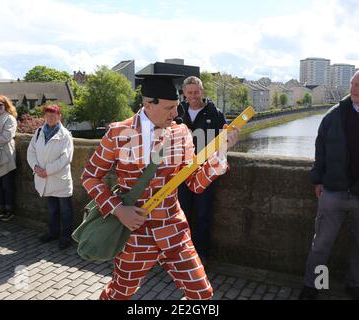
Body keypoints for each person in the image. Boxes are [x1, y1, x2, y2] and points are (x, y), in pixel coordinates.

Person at [81, 74, 240, 300]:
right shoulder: (118, 133)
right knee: (120, 293)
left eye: (176, 107)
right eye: (169, 108)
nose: (176, 114)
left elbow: (194, 183)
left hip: (174, 230)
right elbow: (90, 176)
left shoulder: (181, 133)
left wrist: (221, 153)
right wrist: (118, 210)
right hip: (134, 232)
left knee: (202, 293)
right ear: (148, 104)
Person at [299, 68, 359, 300]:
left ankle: (355, 285)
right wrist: (318, 178)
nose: (351, 89)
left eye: (357, 85)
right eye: (352, 84)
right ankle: (314, 285)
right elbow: (320, 148)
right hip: (335, 191)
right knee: (322, 244)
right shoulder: (335, 114)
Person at [176, 76, 227, 261]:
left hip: (204, 173)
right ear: (184, 93)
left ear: (202, 91)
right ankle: (182, 256)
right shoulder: (177, 112)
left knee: (203, 217)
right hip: (180, 174)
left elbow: (224, 143)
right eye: (189, 92)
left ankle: (200, 257)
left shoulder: (215, 113)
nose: (193, 96)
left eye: (196, 92)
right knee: (182, 216)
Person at [27, 105, 74, 250]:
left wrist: (47, 171)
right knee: (52, 209)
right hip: (43, 178)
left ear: (59, 116)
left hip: (59, 179)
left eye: (53, 115)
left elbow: (66, 158)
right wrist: (35, 167)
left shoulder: (65, 135)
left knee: (65, 210)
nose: (50, 118)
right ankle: (53, 233)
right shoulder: (39, 131)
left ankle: (66, 236)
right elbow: (31, 152)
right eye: (47, 115)